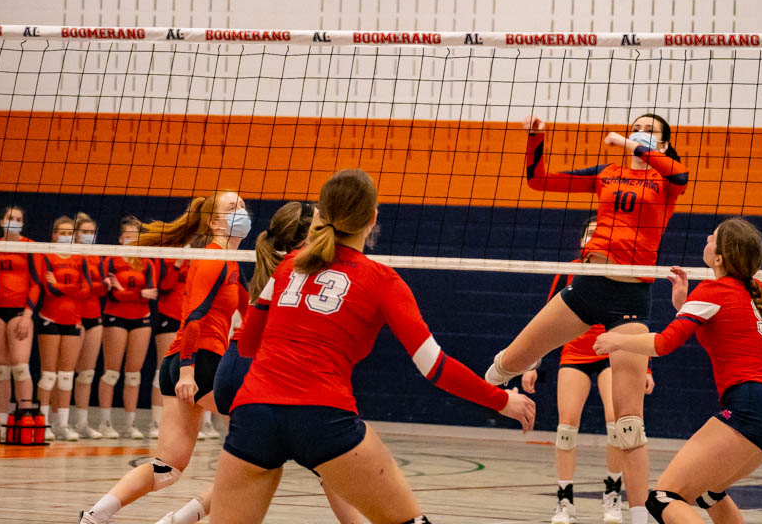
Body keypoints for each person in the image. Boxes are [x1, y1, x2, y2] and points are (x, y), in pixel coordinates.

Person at [209, 169, 535, 524]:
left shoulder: (288, 266)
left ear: (321, 213)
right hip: (322, 417)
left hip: (255, 413)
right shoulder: (383, 281)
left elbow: (248, 345)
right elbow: (435, 367)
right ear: (373, 217)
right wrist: (502, 400)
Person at [485, 114, 689, 522]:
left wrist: (632, 147)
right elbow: (539, 180)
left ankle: (636, 515)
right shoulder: (607, 174)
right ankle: (487, 391)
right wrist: (535, 139)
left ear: (664, 145)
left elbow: (681, 175)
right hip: (588, 286)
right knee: (508, 362)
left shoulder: (667, 181)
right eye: (635, 127)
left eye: (649, 130)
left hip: (630, 298)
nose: (639, 133)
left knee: (629, 423)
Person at [153, 201, 362, 524]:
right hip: (257, 370)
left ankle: (174, 521)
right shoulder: (305, 268)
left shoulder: (273, 264)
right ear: (311, 233)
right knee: (329, 464)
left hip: (235, 366)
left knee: (256, 462)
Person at [594, 218, 762, 524]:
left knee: (664, 498)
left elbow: (663, 343)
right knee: (709, 492)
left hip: (752, 405)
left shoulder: (712, 290)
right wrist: (684, 305)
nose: (706, 238)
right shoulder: (758, 290)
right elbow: (726, 333)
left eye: (713, 238)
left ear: (719, 258)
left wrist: (617, 340)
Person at [79, 190, 251, 524]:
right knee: (255, 454)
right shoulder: (213, 258)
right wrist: (188, 372)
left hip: (184, 364)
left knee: (166, 469)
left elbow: (250, 312)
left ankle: (94, 516)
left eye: (243, 206)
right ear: (215, 221)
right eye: (233, 208)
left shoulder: (229, 262)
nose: (242, 212)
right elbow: (193, 318)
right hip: (198, 362)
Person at [521, 215, 655, 524]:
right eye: (590, 231)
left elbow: (639, 322)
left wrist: (645, 370)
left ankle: (612, 492)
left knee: (617, 422)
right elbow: (546, 321)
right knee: (567, 426)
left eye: (600, 231)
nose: (594, 235)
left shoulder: (626, 271)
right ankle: (564, 500)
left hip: (612, 352)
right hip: (575, 354)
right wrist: (532, 364)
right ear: (583, 239)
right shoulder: (572, 270)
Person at [96, 226, 156, 439]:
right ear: (120, 238)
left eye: (136, 236)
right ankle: (105, 422)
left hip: (142, 318)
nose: (132, 240)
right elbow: (113, 295)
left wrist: (127, 291)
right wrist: (135, 293)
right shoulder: (111, 261)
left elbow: (151, 292)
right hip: (115, 316)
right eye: (128, 236)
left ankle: (130, 425)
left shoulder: (147, 262)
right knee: (111, 372)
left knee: (133, 375)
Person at [33, 216, 90, 440]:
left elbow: (85, 290)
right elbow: (49, 290)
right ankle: (43, 422)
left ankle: (62, 425)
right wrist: (71, 288)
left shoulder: (80, 258)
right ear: (54, 235)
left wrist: (62, 285)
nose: (66, 236)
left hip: (73, 319)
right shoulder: (47, 255)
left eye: (70, 233)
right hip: (50, 318)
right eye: (62, 233)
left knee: (66, 376)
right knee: (48, 375)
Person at [0, 204, 36, 437]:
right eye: (9, 217)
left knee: (20, 366)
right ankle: (2, 421)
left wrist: (28, 314)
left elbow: (37, 283)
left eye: (18, 218)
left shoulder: (29, 246)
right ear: (1, 221)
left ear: (23, 223)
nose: (13, 221)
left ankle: (25, 418)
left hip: (19, 312)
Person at [148, 214, 186, 441]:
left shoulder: (203, 255)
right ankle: (155, 421)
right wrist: (179, 262)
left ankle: (184, 423)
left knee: (189, 373)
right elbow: (165, 285)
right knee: (163, 371)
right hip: (169, 316)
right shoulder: (168, 255)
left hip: (190, 319)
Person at [72, 213, 107, 438]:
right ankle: (58, 421)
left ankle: (82, 423)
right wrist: (93, 286)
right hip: (71, 315)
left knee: (86, 373)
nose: (89, 236)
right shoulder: (69, 255)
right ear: (75, 234)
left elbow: (103, 287)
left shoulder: (97, 256)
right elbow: (76, 287)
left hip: (94, 315)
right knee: (62, 374)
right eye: (84, 232)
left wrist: (92, 286)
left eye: (92, 232)